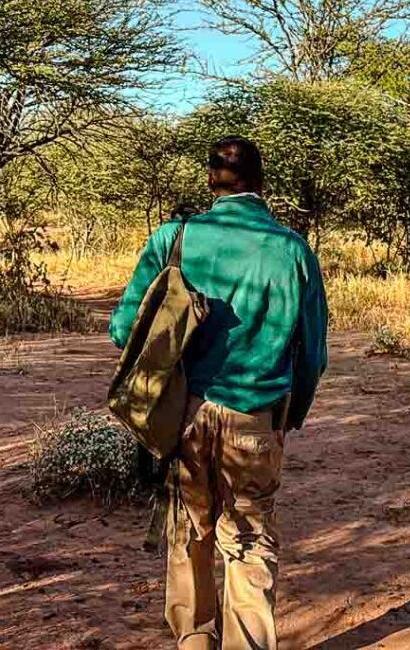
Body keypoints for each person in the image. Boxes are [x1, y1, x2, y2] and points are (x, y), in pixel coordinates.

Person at [110, 136, 328, 650]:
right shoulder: (293, 250)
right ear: (261, 182)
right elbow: (313, 354)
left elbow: (125, 330)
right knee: (250, 542)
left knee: (189, 532)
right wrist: (285, 417)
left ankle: (193, 641)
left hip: (183, 416)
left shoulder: (175, 238)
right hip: (255, 418)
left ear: (211, 181)